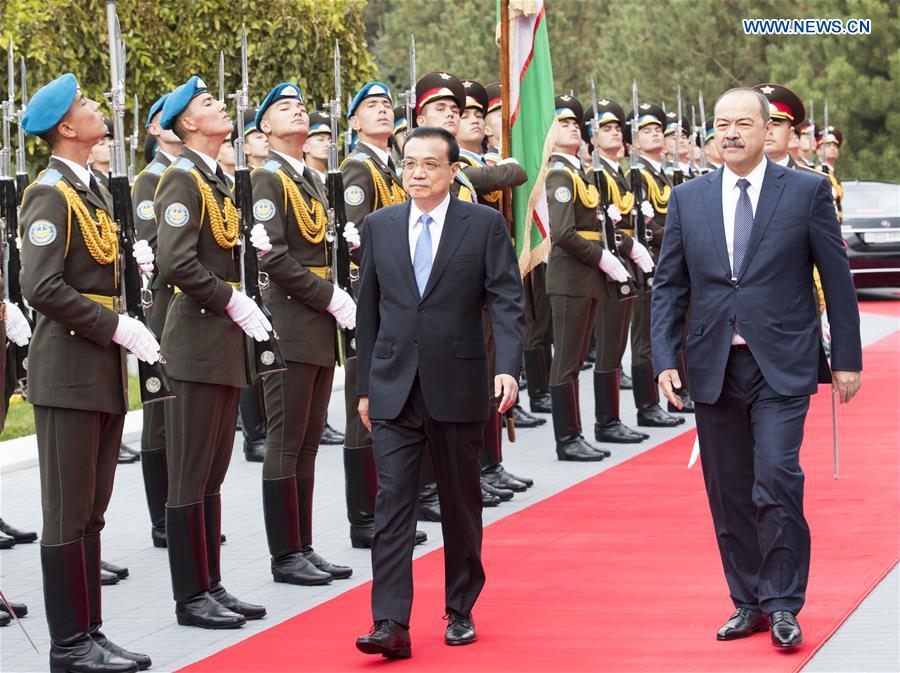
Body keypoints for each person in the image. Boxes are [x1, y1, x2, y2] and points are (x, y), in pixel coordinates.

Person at [651, 87, 862, 649]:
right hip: (714, 364)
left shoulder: (807, 192)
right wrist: (664, 359)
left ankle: (784, 602)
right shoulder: (688, 198)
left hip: (781, 364)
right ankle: (747, 600)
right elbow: (669, 285)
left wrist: (846, 359)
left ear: (768, 129)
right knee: (728, 490)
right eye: (722, 123)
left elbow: (837, 281)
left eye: (743, 122)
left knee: (776, 481)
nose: (731, 133)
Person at [354, 125, 524, 657]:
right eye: (409, 163)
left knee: (459, 503)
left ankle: (460, 608)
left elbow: (506, 301)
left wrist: (509, 368)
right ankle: (390, 623)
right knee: (392, 504)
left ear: (454, 171)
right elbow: (368, 312)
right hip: (393, 387)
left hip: (459, 382)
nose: (418, 173)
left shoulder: (483, 224)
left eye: (430, 164)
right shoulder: (379, 226)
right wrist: (364, 388)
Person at [21, 72, 157, 672]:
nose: (98, 105)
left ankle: (91, 632)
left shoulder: (92, 187)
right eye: (85, 103)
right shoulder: (49, 193)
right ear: (68, 129)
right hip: (69, 371)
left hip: (98, 369)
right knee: (67, 510)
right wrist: (113, 327)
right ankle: (68, 645)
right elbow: (41, 286)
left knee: (93, 510)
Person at [155, 75, 267, 629]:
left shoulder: (216, 179)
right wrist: (232, 300)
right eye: (206, 103)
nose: (220, 105)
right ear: (189, 125)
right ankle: (189, 596)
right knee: (189, 475)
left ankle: (212, 584)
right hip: (198, 338)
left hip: (221, 338)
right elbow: (176, 261)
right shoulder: (182, 179)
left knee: (212, 474)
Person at [249, 83, 354, 586]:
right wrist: (328, 296)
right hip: (290, 320)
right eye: (284, 108)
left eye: (301, 104)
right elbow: (271, 254)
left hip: (313, 321)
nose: (299, 110)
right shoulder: (267, 179)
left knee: (309, 439)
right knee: (286, 439)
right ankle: (283, 554)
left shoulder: (308, 179)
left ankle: (303, 545)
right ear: (265, 127)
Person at [340, 81, 428, 549]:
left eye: (386, 105)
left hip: (396, 299)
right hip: (371, 301)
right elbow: (357, 242)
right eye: (370, 107)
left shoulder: (393, 165)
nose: (382, 111)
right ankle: (365, 519)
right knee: (367, 409)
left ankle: (387, 512)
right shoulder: (359, 168)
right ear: (353, 121)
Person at [545, 95, 631, 461]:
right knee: (566, 359)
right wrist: (602, 258)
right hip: (570, 276)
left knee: (577, 357)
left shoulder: (578, 172)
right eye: (563, 123)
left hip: (585, 276)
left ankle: (578, 433)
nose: (573, 127)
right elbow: (563, 232)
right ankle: (567, 439)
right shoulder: (559, 173)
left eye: (575, 123)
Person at [582, 98, 653, 444]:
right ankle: (605, 422)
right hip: (612, 266)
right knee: (610, 343)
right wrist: (629, 246)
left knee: (617, 344)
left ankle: (614, 418)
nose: (613, 133)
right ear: (591, 137)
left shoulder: (618, 174)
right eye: (604, 128)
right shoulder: (595, 174)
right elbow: (602, 222)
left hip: (627, 266)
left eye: (616, 128)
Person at [133, 91, 182, 549]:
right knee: (159, 413)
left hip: (186, 305)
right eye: (164, 119)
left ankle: (178, 511)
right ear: (153, 130)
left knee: (179, 409)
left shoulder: (189, 173)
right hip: (163, 302)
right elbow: (152, 244)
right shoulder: (151, 179)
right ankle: (161, 518)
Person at [624, 102, 686, 426]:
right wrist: (682, 239)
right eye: (646, 131)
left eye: (657, 129)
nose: (655, 134)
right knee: (645, 338)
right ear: (632, 142)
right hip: (648, 262)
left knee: (670, 331)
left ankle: (671, 394)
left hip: (669, 259)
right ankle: (647, 406)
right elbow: (639, 225)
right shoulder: (636, 175)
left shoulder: (661, 173)